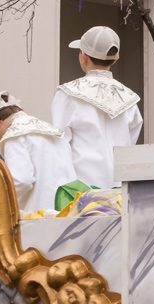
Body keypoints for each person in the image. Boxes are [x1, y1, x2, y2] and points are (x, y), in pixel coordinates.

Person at [52, 25, 142, 188]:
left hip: (80, 190)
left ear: (84, 56)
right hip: (121, 189)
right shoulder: (130, 99)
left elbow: (59, 145)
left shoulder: (68, 94)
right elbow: (130, 145)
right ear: (115, 58)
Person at [0, 92, 78, 217]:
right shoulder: (54, 132)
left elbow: (21, 181)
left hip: (40, 217)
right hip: (69, 212)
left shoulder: (14, 135)